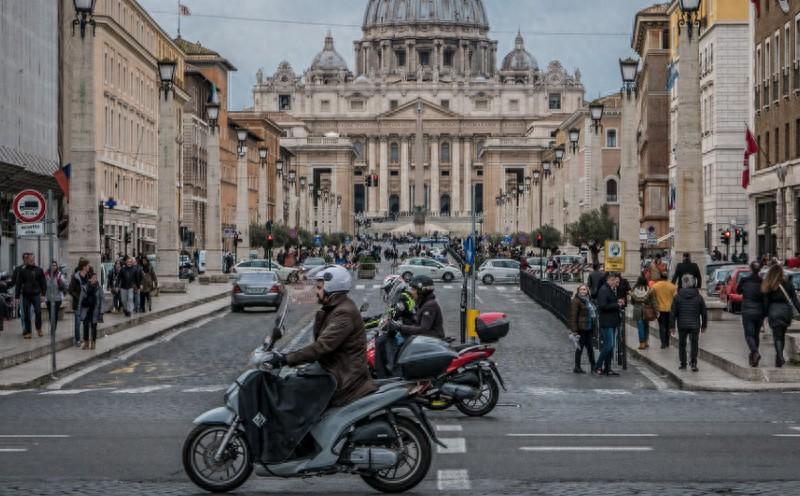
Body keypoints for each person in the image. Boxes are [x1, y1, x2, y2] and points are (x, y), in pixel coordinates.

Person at [264, 265, 377, 407]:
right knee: (294, 381)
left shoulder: (343, 313)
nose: (316, 291)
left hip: (344, 378)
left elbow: (321, 347)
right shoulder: (335, 308)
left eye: (319, 287)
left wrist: (285, 359)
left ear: (331, 288)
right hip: (335, 369)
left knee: (293, 392)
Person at [762, 264, 800, 368]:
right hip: (786, 313)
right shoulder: (788, 284)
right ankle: (779, 357)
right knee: (781, 334)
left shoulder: (769, 285)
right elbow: (795, 301)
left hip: (774, 312)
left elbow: (765, 303)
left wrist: (765, 314)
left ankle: (779, 356)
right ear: (781, 273)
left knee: (777, 336)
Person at [669, 274, 708, 372]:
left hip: (682, 325)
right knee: (694, 344)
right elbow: (704, 313)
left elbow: (673, 313)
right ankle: (693, 363)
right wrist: (704, 325)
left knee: (682, 344)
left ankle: (683, 363)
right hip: (695, 325)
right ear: (693, 283)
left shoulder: (677, 297)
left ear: (683, 283)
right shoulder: (699, 297)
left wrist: (672, 326)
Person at [389, 275, 444, 340]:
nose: (411, 292)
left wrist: (400, 327)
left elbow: (423, 329)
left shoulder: (429, 306)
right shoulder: (422, 302)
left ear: (422, 291)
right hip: (426, 338)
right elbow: (418, 321)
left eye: (413, 290)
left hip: (433, 340)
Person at [737, 262, 765, 367]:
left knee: (749, 335)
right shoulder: (762, 282)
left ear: (750, 269)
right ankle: (754, 357)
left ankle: (755, 352)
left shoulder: (744, 280)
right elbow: (765, 297)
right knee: (756, 335)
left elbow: (738, 291)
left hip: (747, 311)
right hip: (759, 312)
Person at [595, 273, 623, 376]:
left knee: (610, 347)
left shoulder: (609, 290)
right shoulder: (604, 290)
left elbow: (609, 302)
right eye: (617, 282)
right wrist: (617, 304)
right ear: (611, 280)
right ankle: (598, 366)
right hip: (606, 322)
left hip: (611, 321)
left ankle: (608, 368)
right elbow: (602, 306)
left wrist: (617, 302)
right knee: (608, 345)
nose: (618, 284)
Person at [14, 253, 46, 339]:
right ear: (27, 260)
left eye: (33, 258)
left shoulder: (39, 270)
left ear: (34, 259)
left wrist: (43, 294)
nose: (31, 260)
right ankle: (28, 332)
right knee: (26, 314)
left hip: (36, 294)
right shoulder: (22, 271)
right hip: (26, 295)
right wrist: (16, 297)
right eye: (30, 259)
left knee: (38, 311)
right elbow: (18, 284)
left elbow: (43, 283)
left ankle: (38, 328)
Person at [569, 284, 596, 374]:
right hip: (581, 328)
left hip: (589, 327)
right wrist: (574, 330)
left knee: (590, 348)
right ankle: (577, 367)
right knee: (579, 348)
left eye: (584, 289)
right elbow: (573, 316)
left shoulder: (588, 300)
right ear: (578, 291)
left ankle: (593, 366)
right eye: (581, 289)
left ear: (587, 291)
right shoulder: (576, 301)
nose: (583, 291)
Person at [79, 270, 103, 350]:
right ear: (89, 279)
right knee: (85, 326)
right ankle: (86, 343)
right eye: (93, 278)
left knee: (94, 327)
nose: (95, 279)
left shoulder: (99, 288)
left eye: (96, 278)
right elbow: (81, 299)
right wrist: (79, 309)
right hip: (86, 309)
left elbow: (102, 300)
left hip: (95, 310)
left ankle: (93, 343)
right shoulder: (85, 287)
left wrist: (101, 311)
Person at [630, 276, 656, 350]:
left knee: (640, 327)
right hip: (647, 310)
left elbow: (632, 301)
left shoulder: (634, 290)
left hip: (637, 310)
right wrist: (655, 310)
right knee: (646, 326)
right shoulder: (648, 289)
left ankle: (642, 344)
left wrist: (637, 304)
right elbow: (653, 301)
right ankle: (646, 342)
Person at [68, 260, 90, 346]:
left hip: (85, 303)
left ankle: (84, 338)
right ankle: (77, 340)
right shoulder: (75, 277)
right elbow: (70, 290)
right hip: (78, 303)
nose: (89, 267)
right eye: (87, 266)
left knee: (84, 320)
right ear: (84, 267)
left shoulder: (88, 276)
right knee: (77, 322)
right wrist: (77, 296)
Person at [651, 276, 677, 349]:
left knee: (662, 326)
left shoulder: (655, 286)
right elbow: (675, 298)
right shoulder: (672, 286)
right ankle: (668, 342)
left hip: (660, 309)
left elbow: (652, 297)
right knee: (668, 326)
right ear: (667, 277)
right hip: (670, 309)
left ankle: (663, 343)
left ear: (660, 277)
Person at [44, 261, 67, 334]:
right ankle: (52, 326)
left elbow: (64, 285)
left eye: (55, 265)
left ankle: (53, 329)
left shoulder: (59, 275)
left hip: (57, 298)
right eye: (52, 265)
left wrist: (61, 282)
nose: (53, 267)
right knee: (51, 314)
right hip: (48, 297)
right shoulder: (46, 274)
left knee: (55, 313)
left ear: (57, 267)